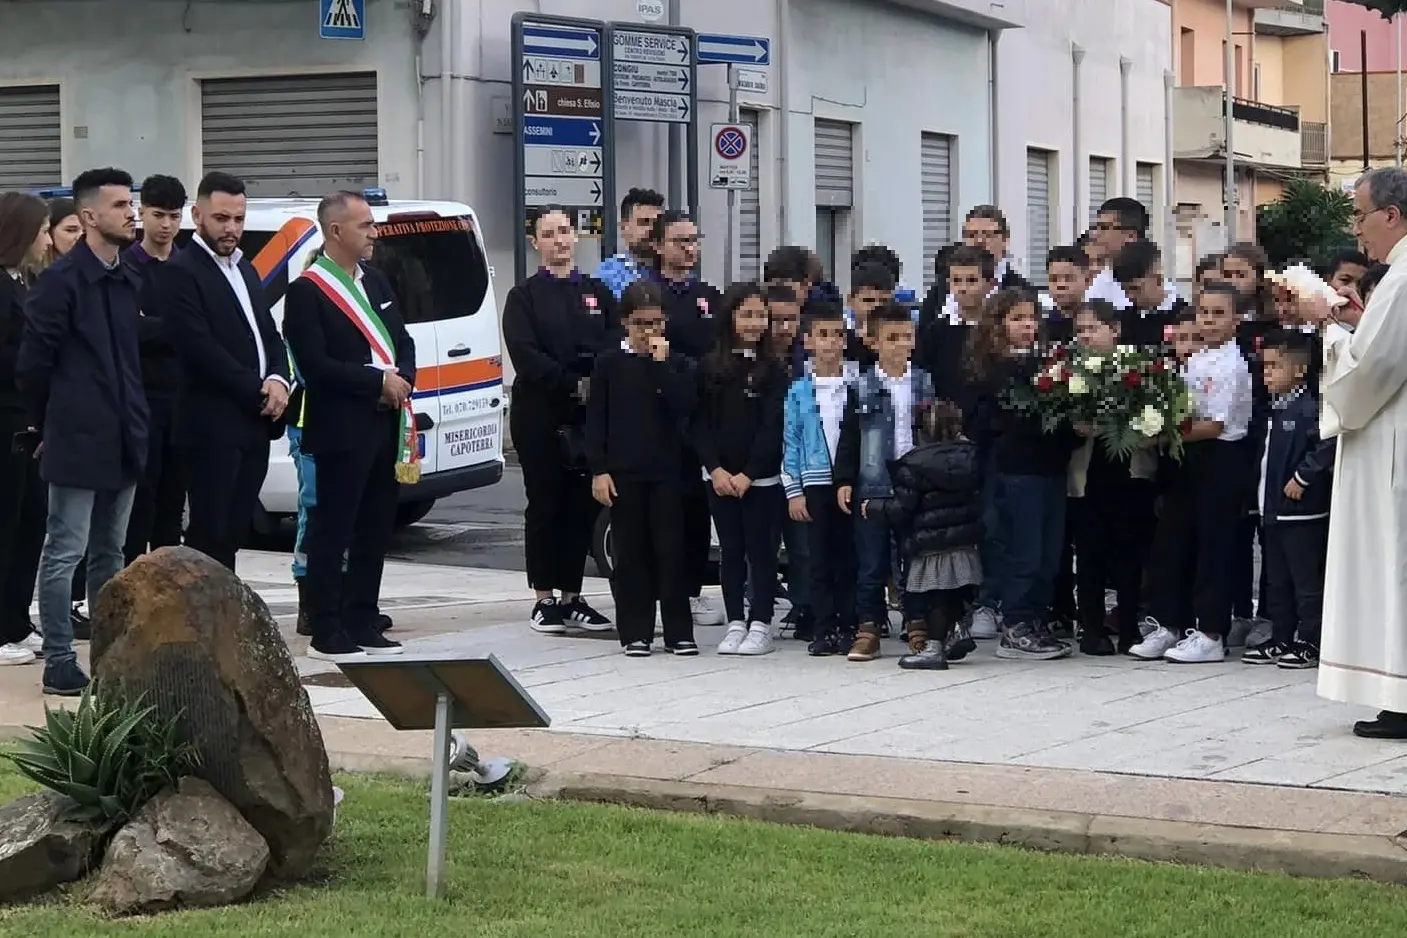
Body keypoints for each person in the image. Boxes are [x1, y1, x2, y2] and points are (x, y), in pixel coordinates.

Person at [18, 168, 149, 696]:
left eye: (131, 204)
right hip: (76, 437)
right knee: (64, 550)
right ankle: (57, 660)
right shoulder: (61, 281)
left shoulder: (126, 277)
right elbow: (34, 365)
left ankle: (108, 656)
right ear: (90, 215)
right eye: (121, 206)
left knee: (110, 555)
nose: (131, 213)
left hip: (124, 436)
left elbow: (130, 360)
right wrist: (51, 421)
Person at [280, 190, 415, 661]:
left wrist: (402, 380)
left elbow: (402, 340)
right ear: (336, 231)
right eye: (365, 226)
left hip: (384, 425)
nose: (374, 233)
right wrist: (375, 381)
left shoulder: (376, 282)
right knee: (332, 528)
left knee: (376, 526)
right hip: (340, 427)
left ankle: (363, 615)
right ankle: (326, 626)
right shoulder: (306, 291)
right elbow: (315, 366)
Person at [1302, 168, 1407, 738]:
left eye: (1360, 215)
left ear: (1391, 215)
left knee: (1396, 567)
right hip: (1392, 436)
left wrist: (1330, 331)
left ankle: (1402, 695)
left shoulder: (1404, 274)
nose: (1356, 231)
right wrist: (1353, 322)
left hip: (1394, 446)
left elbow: (1375, 369)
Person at [163, 172, 290, 571]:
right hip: (210, 425)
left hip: (254, 422)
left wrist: (278, 379)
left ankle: (227, 620)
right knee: (210, 532)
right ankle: (204, 624)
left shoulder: (246, 269)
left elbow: (269, 334)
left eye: (238, 218)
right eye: (221, 218)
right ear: (197, 215)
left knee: (235, 530)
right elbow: (201, 349)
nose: (231, 228)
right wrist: (258, 389)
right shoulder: (182, 271)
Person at [502, 206, 616, 634]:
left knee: (581, 505)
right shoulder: (524, 297)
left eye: (566, 231)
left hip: (588, 417)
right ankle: (543, 597)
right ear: (536, 243)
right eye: (549, 234)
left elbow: (610, 341)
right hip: (540, 417)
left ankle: (573, 595)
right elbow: (527, 356)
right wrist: (571, 381)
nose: (560, 241)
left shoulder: (596, 291)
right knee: (546, 505)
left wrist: (594, 383)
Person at [1132, 283, 1252, 664]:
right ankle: (1169, 623)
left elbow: (1213, 425)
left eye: (1219, 314)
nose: (1210, 321)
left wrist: (1161, 432)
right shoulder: (1196, 359)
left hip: (1218, 457)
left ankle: (1211, 631)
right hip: (1184, 458)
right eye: (1204, 313)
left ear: (1236, 319)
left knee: (1213, 547)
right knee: (1172, 542)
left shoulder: (1233, 366)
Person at [586, 280, 697, 657]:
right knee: (631, 554)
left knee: (671, 550)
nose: (648, 332)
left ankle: (679, 631)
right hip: (624, 471)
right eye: (640, 324)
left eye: (655, 323)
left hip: (667, 470)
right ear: (624, 323)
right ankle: (636, 631)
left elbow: (686, 406)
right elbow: (597, 418)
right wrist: (599, 469)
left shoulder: (676, 363)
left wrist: (662, 365)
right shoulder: (609, 363)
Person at [968, 288, 1077, 661]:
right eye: (1017, 318)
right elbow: (991, 423)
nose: (1027, 325)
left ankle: (1035, 618)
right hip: (1016, 471)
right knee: (1024, 551)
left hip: (1050, 468)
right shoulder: (993, 369)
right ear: (998, 325)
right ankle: (1015, 623)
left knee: (1050, 552)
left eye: (1031, 318)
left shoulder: (1051, 363)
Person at [834, 303, 934, 662]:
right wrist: (844, 479)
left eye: (906, 337)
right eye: (891, 338)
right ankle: (869, 628)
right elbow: (850, 436)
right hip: (873, 483)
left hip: (916, 482)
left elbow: (935, 433)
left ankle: (918, 623)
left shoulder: (923, 381)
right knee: (872, 559)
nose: (899, 345)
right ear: (873, 342)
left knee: (915, 556)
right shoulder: (860, 386)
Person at [696, 283, 787, 656]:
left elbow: (772, 428)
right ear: (730, 317)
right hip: (719, 479)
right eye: (746, 314)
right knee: (730, 550)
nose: (754, 322)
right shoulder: (711, 366)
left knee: (761, 551)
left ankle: (761, 622)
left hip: (760, 480)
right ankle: (736, 619)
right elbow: (699, 421)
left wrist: (749, 473)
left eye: (760, 315)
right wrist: (715, 469)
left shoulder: (774, 369)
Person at [861, 401, 983, 670]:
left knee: (935, 598)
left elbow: (902, 508)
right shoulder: (971, 458)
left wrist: (872, 507)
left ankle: (935, 647)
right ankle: (957, 631)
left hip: (931, 543)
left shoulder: (915, 465)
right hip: (963, 541)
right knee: (955, 594)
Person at [1068, 300, 1158, 655]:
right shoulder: (1069, 371)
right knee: (1090, 552)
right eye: (1081, 329)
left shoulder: (1140, 368)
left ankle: (1130, 625)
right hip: (1086, 473)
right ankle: (1091, 627)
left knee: (1129, 552)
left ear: (1115, 329)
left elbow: (1157, 413)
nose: (1086, 335)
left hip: (1131, 471)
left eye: (1093, 328)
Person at [1240, 330, 1334, 669]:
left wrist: (1303, 476)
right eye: (1264, 368)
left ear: (1297, 370)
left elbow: (1328, 444)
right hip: (1272, 513)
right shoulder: (1271, 411)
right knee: (1275, 581)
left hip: (1302, 514)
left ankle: (1309, 641)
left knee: (1305, 582)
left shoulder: (1310, 408)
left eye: (1273, 367)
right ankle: (1281, 638)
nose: (1266, 375)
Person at [647, 210, 723, 627]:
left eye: (694, 240)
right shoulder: (647, 294)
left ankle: (690, 592)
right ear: (659, 246)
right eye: (680, 241)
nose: (690, 248)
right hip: (659, 416)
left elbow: (717, 353)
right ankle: (659, 594)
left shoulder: (708, 296)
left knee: (696, 510)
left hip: (700, 414)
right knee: (662, 511)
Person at [782, 299, 858, 657]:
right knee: (818, 558)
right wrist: (793, 490)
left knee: (849, 556)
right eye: (822, 335)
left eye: (837, 335)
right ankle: (823, 626)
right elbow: (791, 441)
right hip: (813, 481)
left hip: (849, 483)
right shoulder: (798, 390)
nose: (830, 343)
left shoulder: (857, 386)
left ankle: (849, 624)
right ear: (807, 341)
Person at [122, 174, 187, 564]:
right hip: (140, 401)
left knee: (171, 506)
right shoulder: (127, 266)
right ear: (141, 212)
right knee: (137, 507)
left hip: (181, 402)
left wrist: (156, 326)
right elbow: (128, 330)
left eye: (174, 216)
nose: (166, 225)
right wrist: (177, 328)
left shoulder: (188, 265)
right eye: (159, 215)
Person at [0, 192, 50, 666]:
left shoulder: (24, 283)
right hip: (7, 419)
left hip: (28, 421)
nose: (48, 240)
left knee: (31, 520)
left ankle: (16, 619)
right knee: (7, 522)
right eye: (42, 231)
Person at [763, 281, 812, 639]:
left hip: (801, 464)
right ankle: (758, 603)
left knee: (803, 544)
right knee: (761, 542)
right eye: (775, 319)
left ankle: (804, 606)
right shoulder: (753, 359)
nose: (783, 327)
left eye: (790, 319)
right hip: (760, 464)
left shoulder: (806, 361)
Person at [595, 187, 664, 300]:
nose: (652, 229)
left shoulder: (671, 270)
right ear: (624, 227)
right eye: (644, 222)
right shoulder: (608, 275)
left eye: (656, 223)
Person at [844, 262, 894, 370]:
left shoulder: (906, 338)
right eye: (868, 300)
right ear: (850, 300)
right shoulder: (838, 338)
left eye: (884, 301)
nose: (876, 307)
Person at [1042, 245, 1090, 344]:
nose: (1061, 285)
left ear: (1087, 280)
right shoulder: (1039, 330)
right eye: (1054, 279)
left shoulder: (1101, 324)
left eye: (1069, 278)